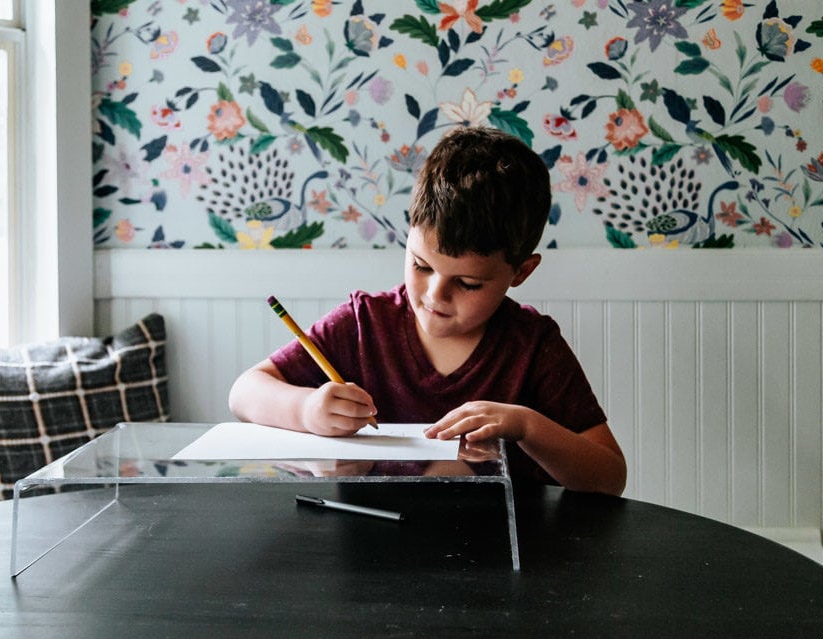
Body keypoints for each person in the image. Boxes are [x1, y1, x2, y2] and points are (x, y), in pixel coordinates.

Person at [228, 127, 626, 495]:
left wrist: (528, 426)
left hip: (495, 556)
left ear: (521, 271)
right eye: (421, 265)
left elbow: (609, 478)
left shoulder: (532, 345)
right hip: (369, 548)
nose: (436, 294)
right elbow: (244, 393)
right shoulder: (364, 324)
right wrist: (307, 410)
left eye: (468, 283)